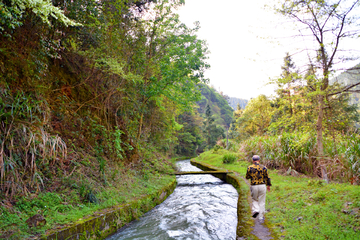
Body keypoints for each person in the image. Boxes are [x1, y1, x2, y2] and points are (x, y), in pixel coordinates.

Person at [246, 155, 271, 221]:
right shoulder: (264, 167)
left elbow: (247, 177)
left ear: (253, 160)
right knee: (262, 201)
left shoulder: (249, 167)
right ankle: (261, 217)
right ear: (259, 160)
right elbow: (267, 177)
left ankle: (256, 210)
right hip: (262, 185)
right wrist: (268, 185)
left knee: (254, 199)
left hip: (254, 186)